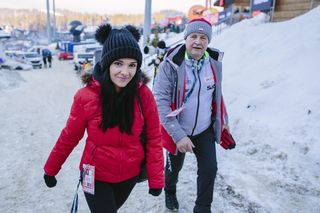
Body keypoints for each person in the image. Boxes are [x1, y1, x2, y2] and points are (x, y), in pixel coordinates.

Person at [43, 23, 164, 213]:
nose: (125, 72)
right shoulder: (86, 97)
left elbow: (154, 138)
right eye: (118, 63)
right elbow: (69, 136)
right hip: (95, 176)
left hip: (129, 176)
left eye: (132, 65)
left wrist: (157, 179)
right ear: (107, 62)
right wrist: (51, 169)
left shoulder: (143, 95)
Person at [153, 18, 231, 213]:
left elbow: (217, 95)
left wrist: (223, 122)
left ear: (208, 41)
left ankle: (202, 207)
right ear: (186, 38)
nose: (198, 41)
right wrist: (178, 136)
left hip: (204, 129)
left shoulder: (214, 63)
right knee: (173, 170)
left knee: (209, 169)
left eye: (203, 37)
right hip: (178, 129)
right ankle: (170, 191)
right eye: (194, 36)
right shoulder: (170, 65)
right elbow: (160, 102)